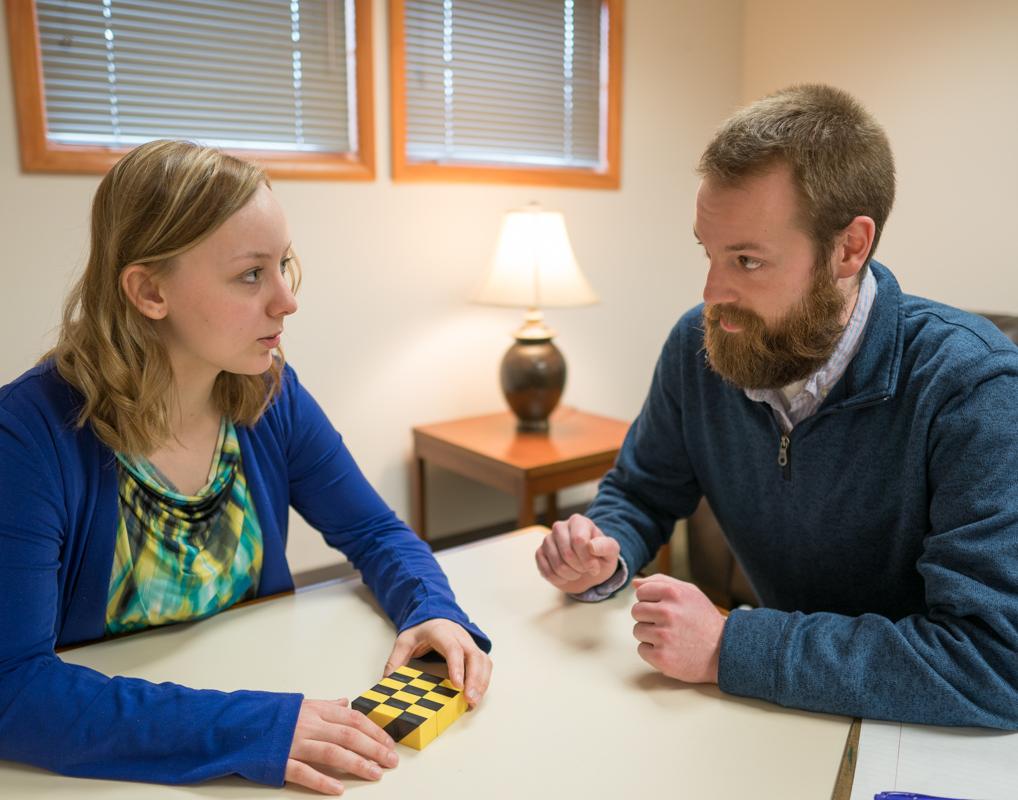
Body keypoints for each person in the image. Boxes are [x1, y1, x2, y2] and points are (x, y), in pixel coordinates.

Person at [0, 140, 492, 794]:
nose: (287, 301)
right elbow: (15, 685)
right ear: (148, 291)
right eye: (251, 274)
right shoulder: (27, 433)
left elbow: (374, 533)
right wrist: (253, 726)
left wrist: (431, 608)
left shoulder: (270, 394)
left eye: (284, 264)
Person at [535, 84, 1018, 729]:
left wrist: (730, 645)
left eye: (748, 261)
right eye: (708, 252)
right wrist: (604, 549)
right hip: (776, 716)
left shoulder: (973, 388)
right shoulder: (699, 344)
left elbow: (993, 664)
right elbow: (643, 490)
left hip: (920, 737)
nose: (712, 293)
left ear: (849, 249)